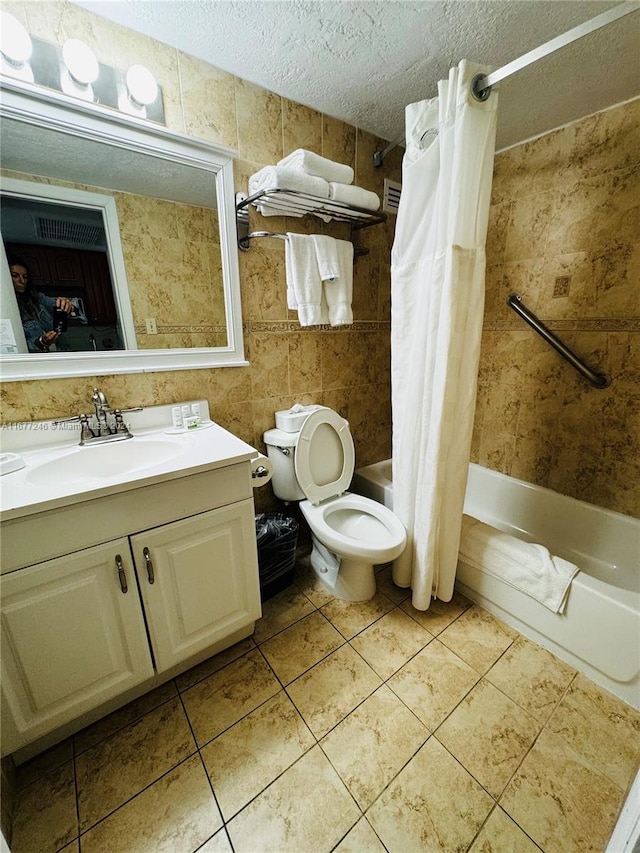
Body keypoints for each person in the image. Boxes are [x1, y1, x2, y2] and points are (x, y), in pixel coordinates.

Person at [8, 254, 74, 353]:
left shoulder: (38, 298)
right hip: (36, 362)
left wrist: (66, 304)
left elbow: (56, 304)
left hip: (62, 353)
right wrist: (41, 342)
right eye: (15, 276)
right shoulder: (7, 309)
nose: (22, 281)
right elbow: (13, 348)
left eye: (25, 277)